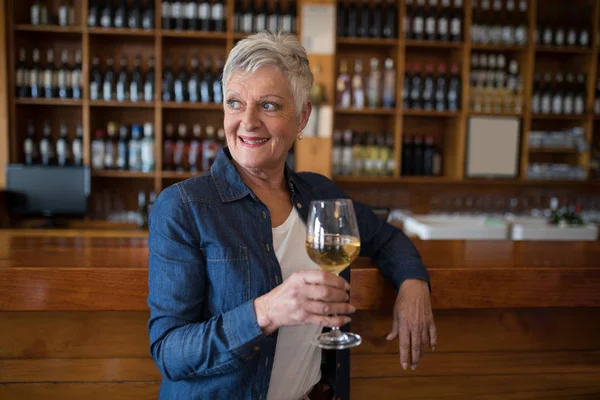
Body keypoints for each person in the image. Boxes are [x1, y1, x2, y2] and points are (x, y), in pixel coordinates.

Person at [147, 31, 436, 400]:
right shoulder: (183, 207)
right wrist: (266, 312)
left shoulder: (321, 196)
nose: (247, 122)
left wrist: (413, 284)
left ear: (302, 117)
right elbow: (169, 351)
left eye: (268, 105)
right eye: (235, 103)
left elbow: (387, 238)